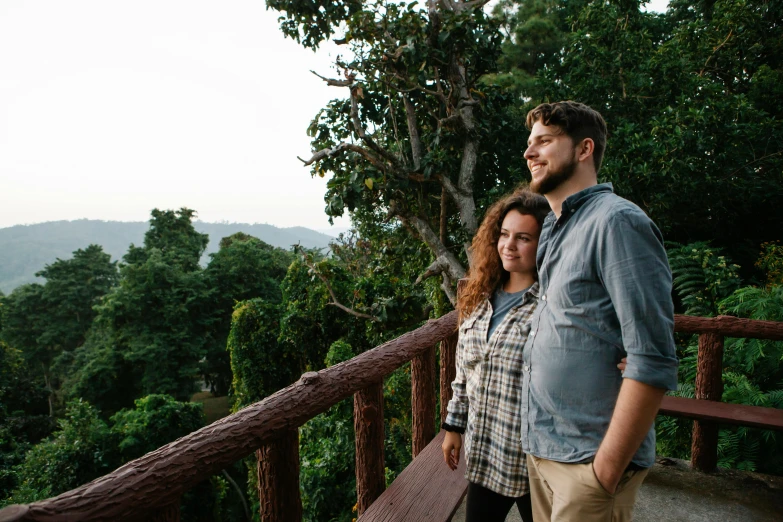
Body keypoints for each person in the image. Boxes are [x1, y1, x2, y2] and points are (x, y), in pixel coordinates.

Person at [520, 101, 679, 522]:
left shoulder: (617, 223)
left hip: (590, 461)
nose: (529, 152)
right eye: (529, 143)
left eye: (544, 141)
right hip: (545, 449)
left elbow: (653, 358)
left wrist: (603, 473)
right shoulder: (555, 227)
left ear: (584, 149)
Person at [441, 187, 550, 522]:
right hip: (486, 453)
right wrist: (453, 426)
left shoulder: (552, 305)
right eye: (504, 234)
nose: (509, 245)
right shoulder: (479, 298)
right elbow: (465, 372)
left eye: (523, 238)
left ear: (545, 243)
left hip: (535, 463)